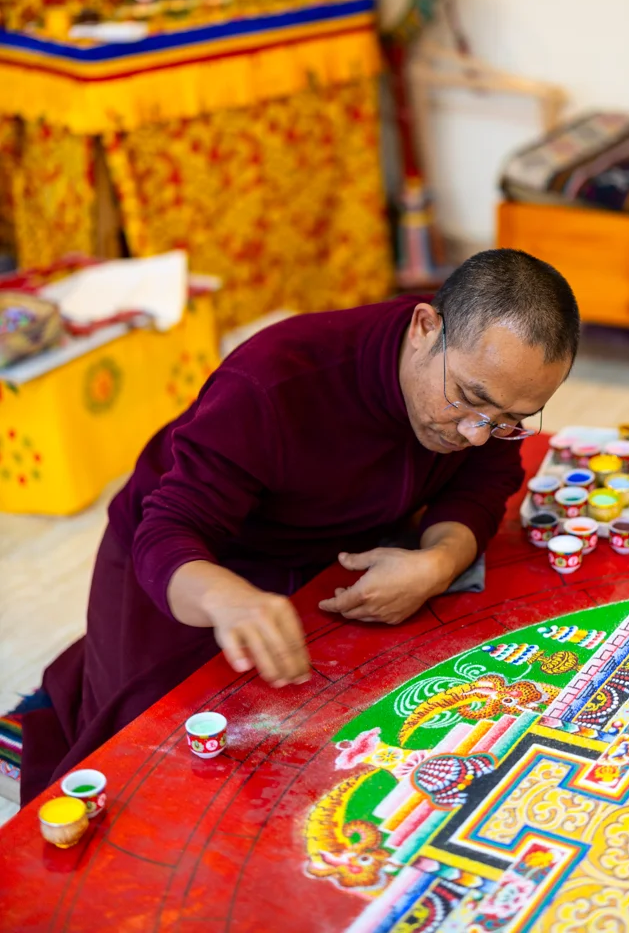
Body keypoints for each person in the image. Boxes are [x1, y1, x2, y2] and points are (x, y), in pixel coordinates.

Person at [21, 250, 579, 804]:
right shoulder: (274, 379)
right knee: (151, 758)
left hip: (327, 551)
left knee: (333, 751)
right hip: (192, 565)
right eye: (468, 400)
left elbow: (485, 479)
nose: (478, 434)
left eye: (507, 421)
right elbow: (168, 533)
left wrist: (440, 561)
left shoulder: (475, 386)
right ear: (425, 327)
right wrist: (229, 600)